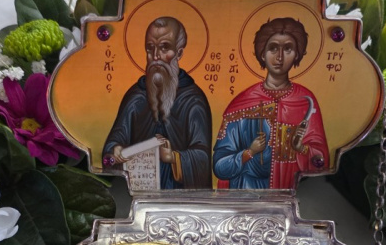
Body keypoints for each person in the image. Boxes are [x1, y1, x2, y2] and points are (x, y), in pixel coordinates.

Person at [213, 17, 329, 189]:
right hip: (245, 192)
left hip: (291, 193)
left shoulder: (305, 101)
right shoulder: (242, 103)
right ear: (262, 53)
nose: (279, 57)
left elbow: (321, 162)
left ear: (297, 54)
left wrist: (301, 148)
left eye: (288, 49)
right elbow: (219, 166)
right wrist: (249, 152)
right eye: (273, 48)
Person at [103, 17, 212, 189]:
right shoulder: (136, 96)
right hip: (139, 190)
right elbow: (114, 141)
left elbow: (203, 157)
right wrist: (115, 149)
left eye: (164, 47)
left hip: (179, 195)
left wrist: (173, 157)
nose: (155, 56)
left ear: (179, 53)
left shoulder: (193, 100)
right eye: (150, 48)